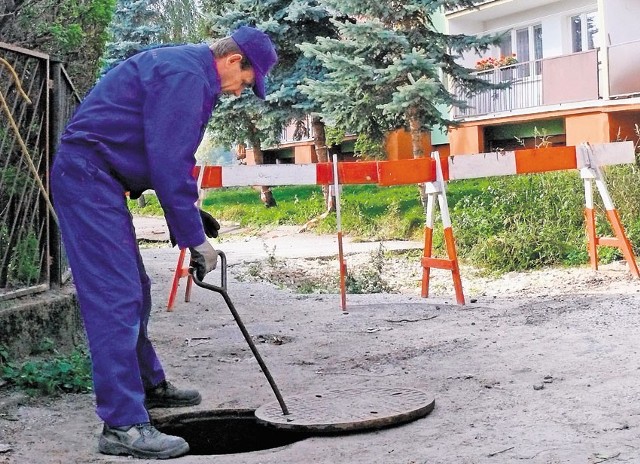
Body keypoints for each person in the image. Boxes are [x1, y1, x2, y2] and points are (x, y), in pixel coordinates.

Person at [50, 26, 278, 459]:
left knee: (136, 289)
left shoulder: (187, 69)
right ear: (233, 61)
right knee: (116, 296)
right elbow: (169, 161)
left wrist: (190, 218)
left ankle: (147, 387)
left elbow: (161, 155)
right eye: (246, 81)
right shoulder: (187, 77)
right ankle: (121, 425)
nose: (241, 91)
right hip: (87, 179)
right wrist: (195, 239)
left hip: (98, 179)